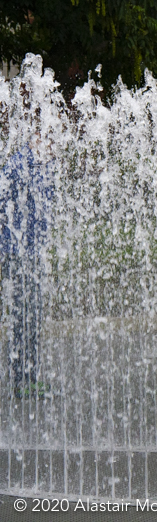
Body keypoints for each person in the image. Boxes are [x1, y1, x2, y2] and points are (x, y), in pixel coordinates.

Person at [1, 142, 52, 399]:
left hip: (33, 254)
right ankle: (22, 383)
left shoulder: (47, 165)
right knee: (24, 319)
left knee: (32, 318)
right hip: (17, 254)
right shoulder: (20, 162)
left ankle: (27, 379)